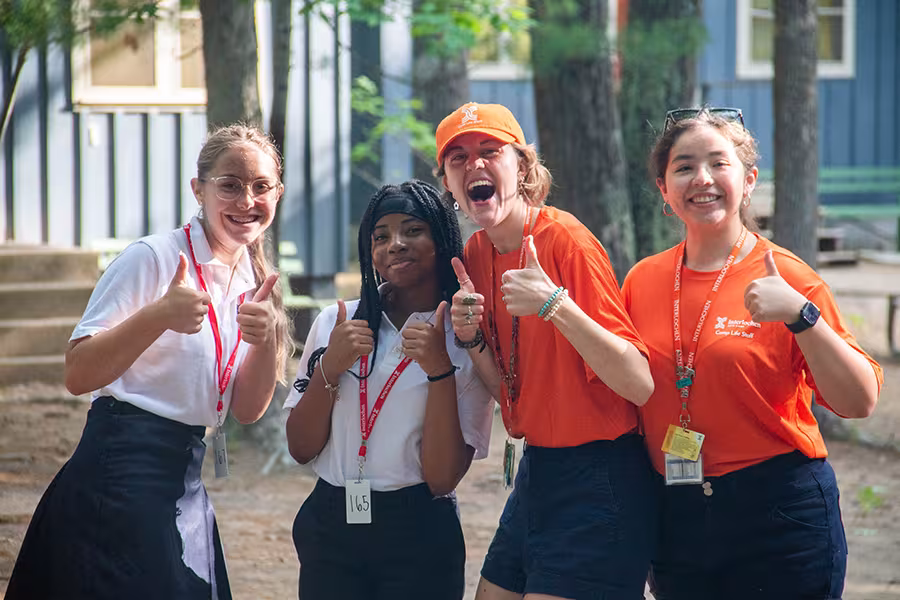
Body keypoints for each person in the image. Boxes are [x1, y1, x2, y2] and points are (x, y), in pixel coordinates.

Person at [6, 123, 292, 600]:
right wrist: (159, 315)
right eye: (230, 184)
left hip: (186, 478)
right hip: (120, 472)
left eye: (261, 187)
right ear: (198, 189)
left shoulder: (253, 277)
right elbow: (77, 373)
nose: (247, 200)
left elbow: (245, 410)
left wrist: (263, 340)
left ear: (277, 195)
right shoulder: (153, 257)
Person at [622, 107, 883, 599]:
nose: (702, 179)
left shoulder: (788, 277)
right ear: (663, 189)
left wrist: (801, 316)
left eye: (719, 163)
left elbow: (859, 401)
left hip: (778, 513)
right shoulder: (642, 280)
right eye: (684, 166)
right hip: (676, 513)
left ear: (749, 180)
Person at [436, 101, 660, 600]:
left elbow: (639, 382)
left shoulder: (564, 241)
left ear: (523, 166)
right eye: (458, 158)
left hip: (603, 472)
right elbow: (512, 393)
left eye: (490, 151)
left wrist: (554, 304)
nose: (474, 164)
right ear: (449, 184)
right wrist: (473, 341)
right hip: (539, 469)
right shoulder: (475, 253)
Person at [284, 179, 494, 600]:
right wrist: (330, 365)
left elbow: (441, 478)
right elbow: (301, 447)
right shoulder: (337, 321)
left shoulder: (466, 338)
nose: (395, 244)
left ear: (442, 238)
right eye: (381, 236)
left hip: (417, 529)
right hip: (331, 524)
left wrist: (439, 371)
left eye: (413, 230)